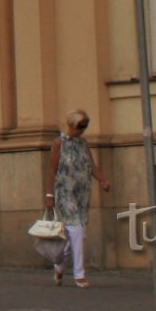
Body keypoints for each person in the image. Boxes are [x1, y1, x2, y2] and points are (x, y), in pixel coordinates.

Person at [46, 108, 109, 287]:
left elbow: (92, 166)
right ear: (71, 125)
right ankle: (79, 274)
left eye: (84, 127)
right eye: (79, 127)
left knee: (78, 234)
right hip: (65, 191)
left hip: (82, 192)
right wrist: (49, 195)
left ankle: (59, 265)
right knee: (76, 229)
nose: (82, 130)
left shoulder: (83, 143)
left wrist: (103, 180)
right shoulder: (59, 143)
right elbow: (52, 171)